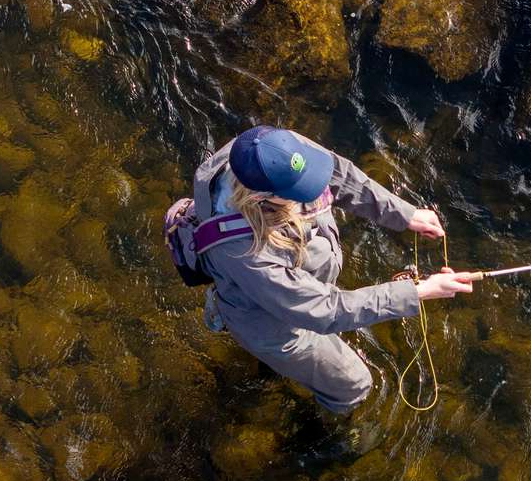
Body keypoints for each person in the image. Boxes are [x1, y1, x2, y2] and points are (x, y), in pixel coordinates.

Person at [192, 125, 475, 419]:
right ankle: (319, 435)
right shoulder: (243, 251)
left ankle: (281, 369)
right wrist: (419, 292)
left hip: (296, 289)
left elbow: (339, 175)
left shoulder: (273, 150)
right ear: (258, 199)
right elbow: (324, 309)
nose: (313, 192)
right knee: (354, 385)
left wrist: (405, 214)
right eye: (298, 193)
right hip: (273, 324)